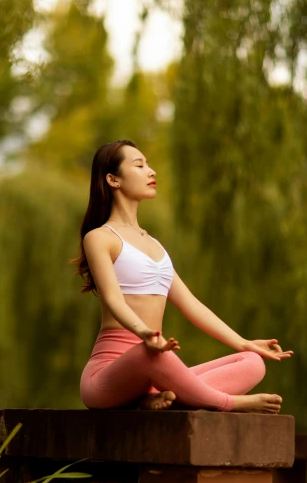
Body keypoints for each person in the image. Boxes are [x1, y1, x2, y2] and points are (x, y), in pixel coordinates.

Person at [71, 139, 292, 413]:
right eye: (139, 165)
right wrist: (146, 335)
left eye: (149, 165)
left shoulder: (155, 246)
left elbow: (192, 305)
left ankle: (156, 401)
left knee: (252, 362)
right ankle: (229, 403)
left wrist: (244, 342)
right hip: (109, 376)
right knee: (150, 354)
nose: (151, 172)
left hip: (155, 369)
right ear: (113, 180)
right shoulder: (101, 237)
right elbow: (114, 299)